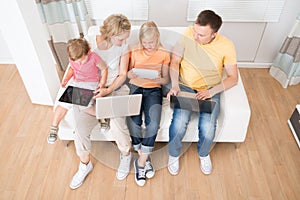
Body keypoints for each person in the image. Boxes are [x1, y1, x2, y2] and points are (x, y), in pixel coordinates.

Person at [167, 10, 238, 175]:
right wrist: (175, 85)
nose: (195, 37)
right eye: (195, 31)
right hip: (184, 86)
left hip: (210, 90)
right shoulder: (189, 33)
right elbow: (175, 60)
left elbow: (233, 78)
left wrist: (211, 92)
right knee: (178, 123)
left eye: (201, 35)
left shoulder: (227, 46)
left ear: (214, 34)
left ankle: (203, 154)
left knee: (207, 127)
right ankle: (173, 154)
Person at [69, 14, 132, 190]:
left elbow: (122, 75)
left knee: (118, 125)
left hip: (114, 89)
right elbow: (75, 65)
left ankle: (126, 155)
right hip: (88, 91)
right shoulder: (88, 43)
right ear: (110, 34)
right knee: (80, 131)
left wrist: (107, 90)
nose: (124, 42)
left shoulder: (124, 48)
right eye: (121, 38)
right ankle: (84, 164)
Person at [126, 21, 170, 186]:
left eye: (151, 42)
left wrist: (156, 78)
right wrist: (131, 73)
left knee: (153, 124)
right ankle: (145, 156)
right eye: (145, 43)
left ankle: (141, 163)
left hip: (153, 90)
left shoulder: (164, 53)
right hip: (136, 87)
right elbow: (129, 74)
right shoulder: (135, 50)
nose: (148, 46)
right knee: (134, 121)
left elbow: (165, 79)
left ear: (157, 37)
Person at [48, 38, 107, 144]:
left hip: (90, 83)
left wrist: (102, 84)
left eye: (82, 60)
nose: (79, 63)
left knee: (83, 106)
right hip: (76, 82)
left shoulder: (93, 57)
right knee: (61, 105)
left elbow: (104, 69)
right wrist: (66, 78)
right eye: (77, 61)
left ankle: (102, 118)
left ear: (87, 52)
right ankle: (54, 128)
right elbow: (71, 68)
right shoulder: (73, 58)